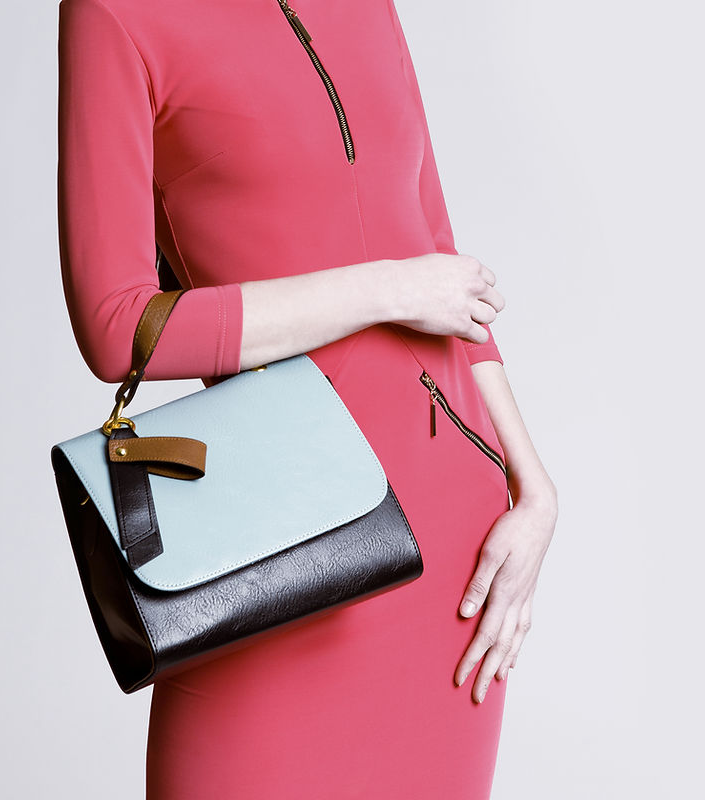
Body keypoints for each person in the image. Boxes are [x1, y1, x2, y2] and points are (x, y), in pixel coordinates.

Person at [56, 0, 559, 796]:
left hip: (451, 549)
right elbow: (119, 326)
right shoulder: (117, 14)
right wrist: (384, 289)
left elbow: (434, 248)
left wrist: (535, 488)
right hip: (276, 553)